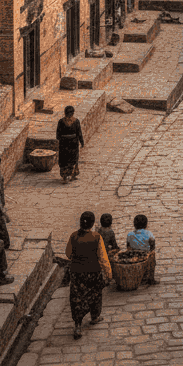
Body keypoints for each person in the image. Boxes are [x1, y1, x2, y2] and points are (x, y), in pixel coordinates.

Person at [65, 211, 112, 339]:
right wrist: (109, 274)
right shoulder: (96, 237)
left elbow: (68, 254)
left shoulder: (73, 236)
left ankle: (77, 325)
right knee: (95, 295)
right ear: (92, 224)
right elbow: (103, 258)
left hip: (77, 273)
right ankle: (94, 317)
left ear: (80, 222)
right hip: (93, 273)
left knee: (77, 298)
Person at [126, 213, 157, 285]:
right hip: (146, 256)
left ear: (134, 225)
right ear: (146, 225)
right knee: (153, 255)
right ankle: (151, 279)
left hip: (134, 256)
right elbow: (153, 246)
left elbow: (128, 246)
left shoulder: (130, 234)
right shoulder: (149, 234)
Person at [56, 105, 84, 181]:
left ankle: (65, 176)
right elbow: (79, 133)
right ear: (73, 113)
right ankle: (72, 175)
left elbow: (58, 135)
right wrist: (81, 142)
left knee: (64, 160)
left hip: (64, 144)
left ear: (65, 113)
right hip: (73, 144)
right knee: (73, 159)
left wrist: (63, 139)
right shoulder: (76, 121)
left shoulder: (61, 121)